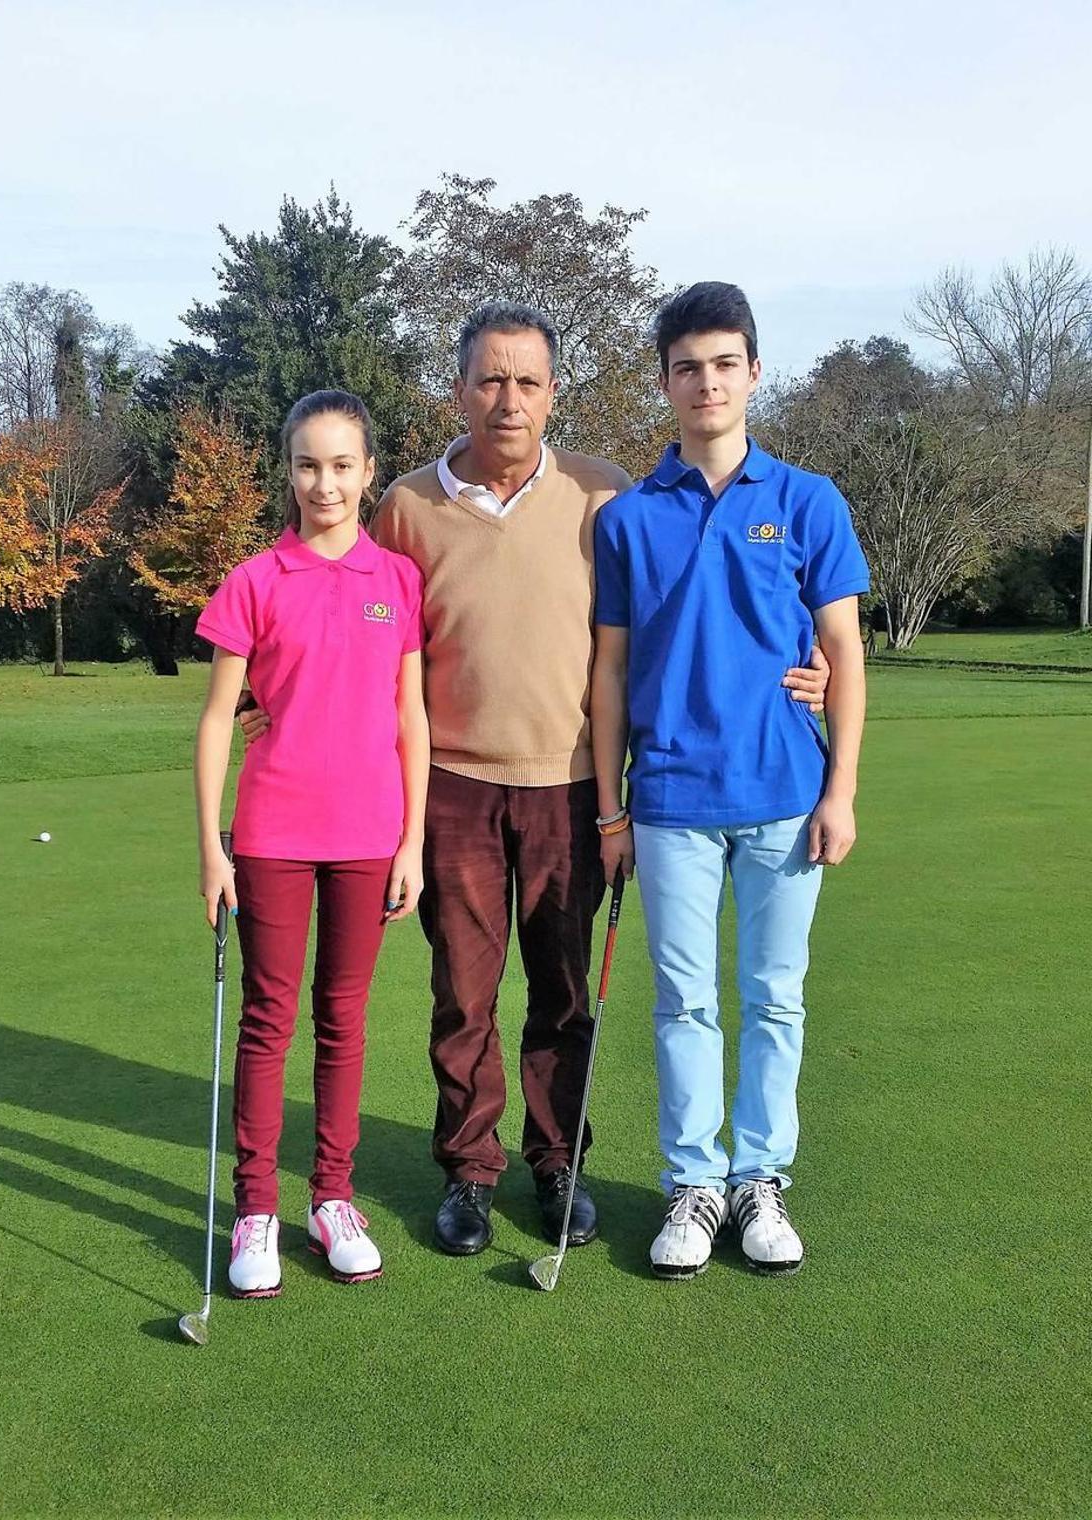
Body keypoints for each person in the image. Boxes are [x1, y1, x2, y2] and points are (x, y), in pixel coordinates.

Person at [240, 301, 829, 1258]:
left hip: (567, 784)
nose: (507, 399)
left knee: (560, 990)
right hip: (454, 787)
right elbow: (337, 607)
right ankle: (470, 1173)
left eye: (527, 381)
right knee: (463, 995)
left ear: (554, 393)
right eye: (488, 380)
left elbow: (691, 610)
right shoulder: (403, 506)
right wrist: (266, 692)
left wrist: (821, 664)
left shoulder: (606, 497)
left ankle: (557, 1163)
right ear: (460, 389)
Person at [592, 282, 868, 1280]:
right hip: (668, 798)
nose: (704, 382)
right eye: (685, 366)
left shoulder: (806, 500)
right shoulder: (628, 518)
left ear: (753, 371)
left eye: (723, 363)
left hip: (786, 797)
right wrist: (610, 804)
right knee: (683, 1001)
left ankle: (760, 1180)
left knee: (775, 996)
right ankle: (694, 1183)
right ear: (663, 382)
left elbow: (844, 648)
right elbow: (610, 671)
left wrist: (840, 790)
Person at [194, 389, 429, 1294]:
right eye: (307, 465)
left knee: (346, 1017)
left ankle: (331, 1197)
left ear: (369, 472)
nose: (324, 484)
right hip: (273, 833)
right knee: (269, 1020)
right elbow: (220, 721)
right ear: (286, 470)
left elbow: (410, 716)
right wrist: (211, 850)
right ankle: (256, 1208)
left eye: (341, 465)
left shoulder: (398, 582)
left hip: (369, 834)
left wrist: (412, 840)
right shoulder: (254, 580)